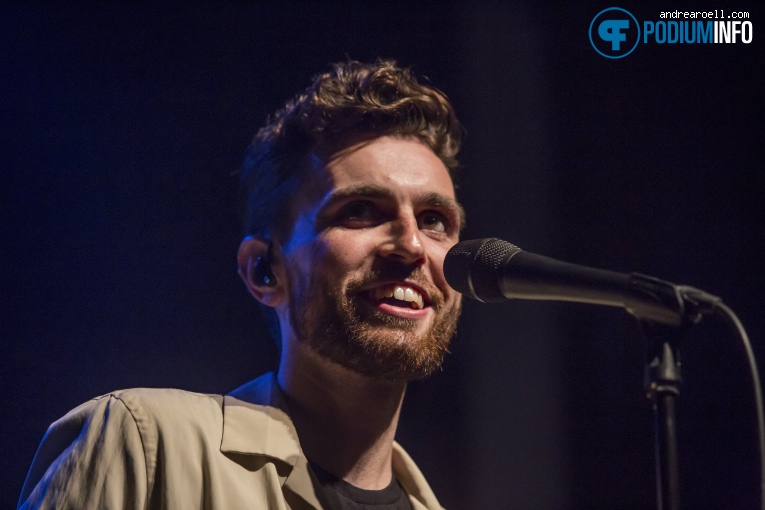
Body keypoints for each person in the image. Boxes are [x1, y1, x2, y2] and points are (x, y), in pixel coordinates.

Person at [18, 59, 465, 510]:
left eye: (434, 221)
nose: (411, 244)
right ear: (263, 271)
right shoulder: (145, 444)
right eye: (360, 210)